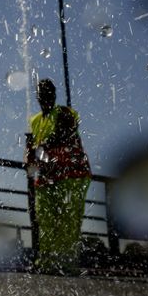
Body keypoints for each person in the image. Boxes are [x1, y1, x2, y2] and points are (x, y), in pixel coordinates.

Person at [25, 78, 91, 275]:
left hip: (72, 173)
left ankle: (67, 263)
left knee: (68, 220)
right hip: (46, 176)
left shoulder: (65, 113)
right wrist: (29, 157)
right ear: (37, 97)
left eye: (48, 93)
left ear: (54, 95)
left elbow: (65, 131)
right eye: (41, 93)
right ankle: (46, 262)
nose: (45, 96)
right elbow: (31, 146)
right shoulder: (35, 121)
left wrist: (41, 145)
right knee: (45, 219)